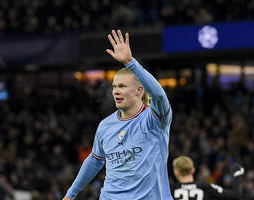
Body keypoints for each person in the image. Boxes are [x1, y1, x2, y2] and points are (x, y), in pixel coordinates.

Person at [63, 29, 173, 200]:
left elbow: (158, 96)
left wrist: (131, 63)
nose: (116, 91)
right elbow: (94, 161)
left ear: (139, 90)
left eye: (122, 86)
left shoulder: (154, 119)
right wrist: (71, 194)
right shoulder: (105, 125)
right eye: (114, 87)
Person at [171, 156, 244, 200]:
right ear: (193, 170)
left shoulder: (170, 190)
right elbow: (235, 195)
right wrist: (236, 173)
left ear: (176, 172)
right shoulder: (205, 187)